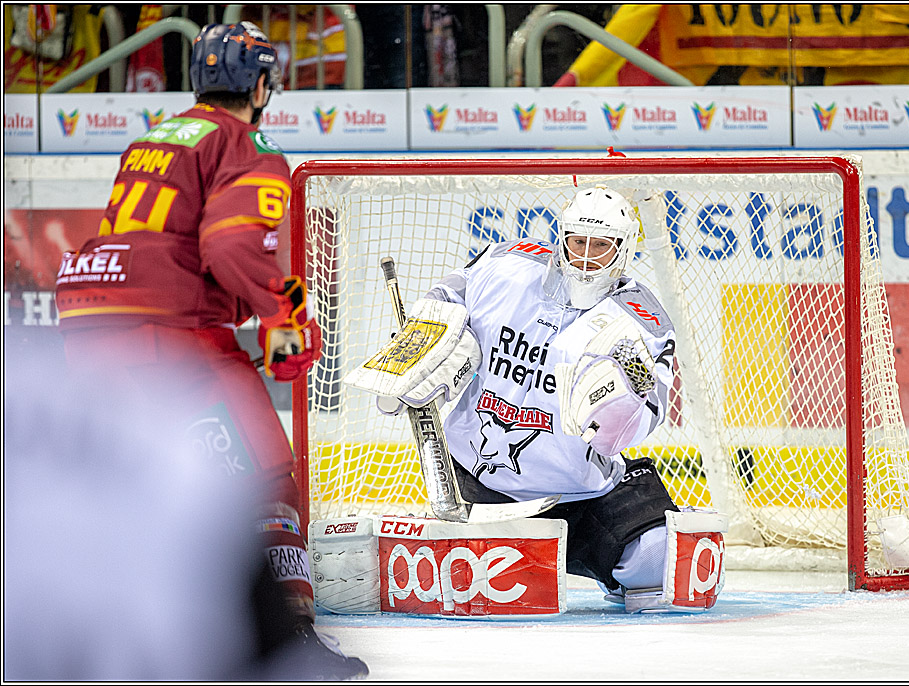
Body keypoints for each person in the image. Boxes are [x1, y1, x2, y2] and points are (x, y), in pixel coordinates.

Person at [52, 21, 367, 679]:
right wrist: (288, 321)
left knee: (148, 480)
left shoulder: (154, 137)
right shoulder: (247, 142)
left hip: (90, 314)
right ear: (260, 83)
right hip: (169, 326)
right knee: (267, 481)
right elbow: (230, 247)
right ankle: (289, 644)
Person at [363, 186, 683, 603]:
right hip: (477, 487)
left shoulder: (641, 318)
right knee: (460, 590)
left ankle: (607, 569)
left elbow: (650, 410)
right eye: (577, 242)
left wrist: (620, 402)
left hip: (580, 494)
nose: (585, 257)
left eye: (600, 246)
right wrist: (419, 345)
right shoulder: (505, 265)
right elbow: (445, 297)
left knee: (659, 562)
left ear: (623, 250)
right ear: (561, 238)